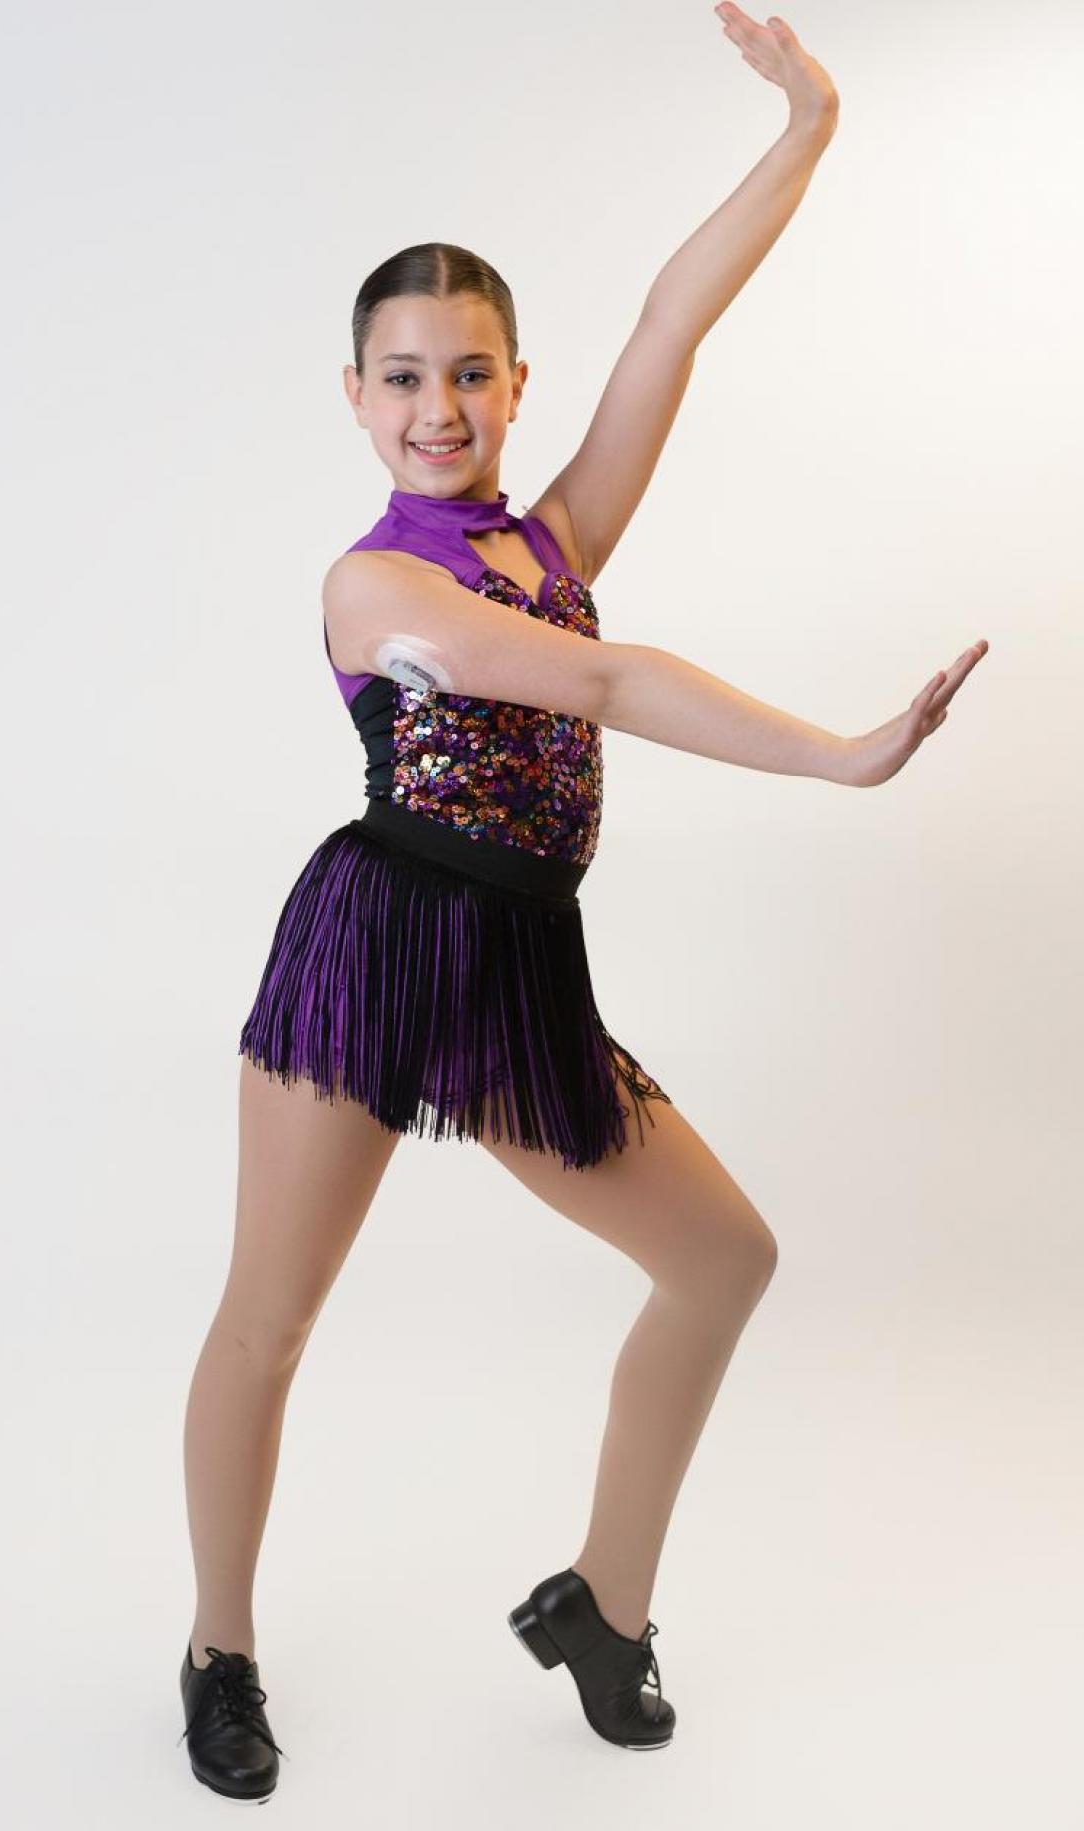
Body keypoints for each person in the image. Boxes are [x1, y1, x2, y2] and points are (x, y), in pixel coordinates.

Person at [177, 7, 988, 1801]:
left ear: (515, 385)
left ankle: (602, 1609)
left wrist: (808, 130)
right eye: (402, 375)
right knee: (271, 1319)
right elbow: (610, 692)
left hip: (523, 969)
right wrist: (843, 757)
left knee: (723, 1261)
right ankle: (220, 1645)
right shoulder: (369, 580)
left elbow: (669, 327)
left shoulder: (552, 541)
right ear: (353, 394)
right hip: (372, 955)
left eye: (472, 373)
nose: (439, 408)